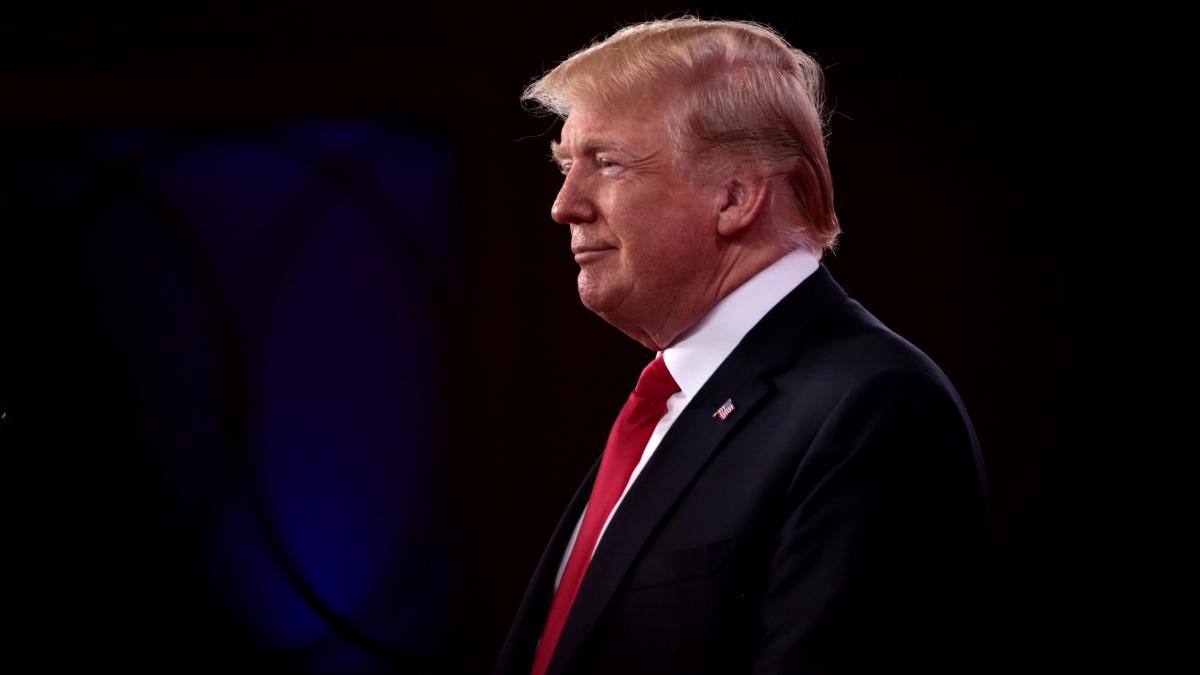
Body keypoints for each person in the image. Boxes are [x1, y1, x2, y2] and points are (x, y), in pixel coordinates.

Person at [495, 17, 990, 675]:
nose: (565, 204)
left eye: (606, 162)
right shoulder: (680, 395)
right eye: (565, 165)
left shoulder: (873, 406)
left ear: (734, 196)